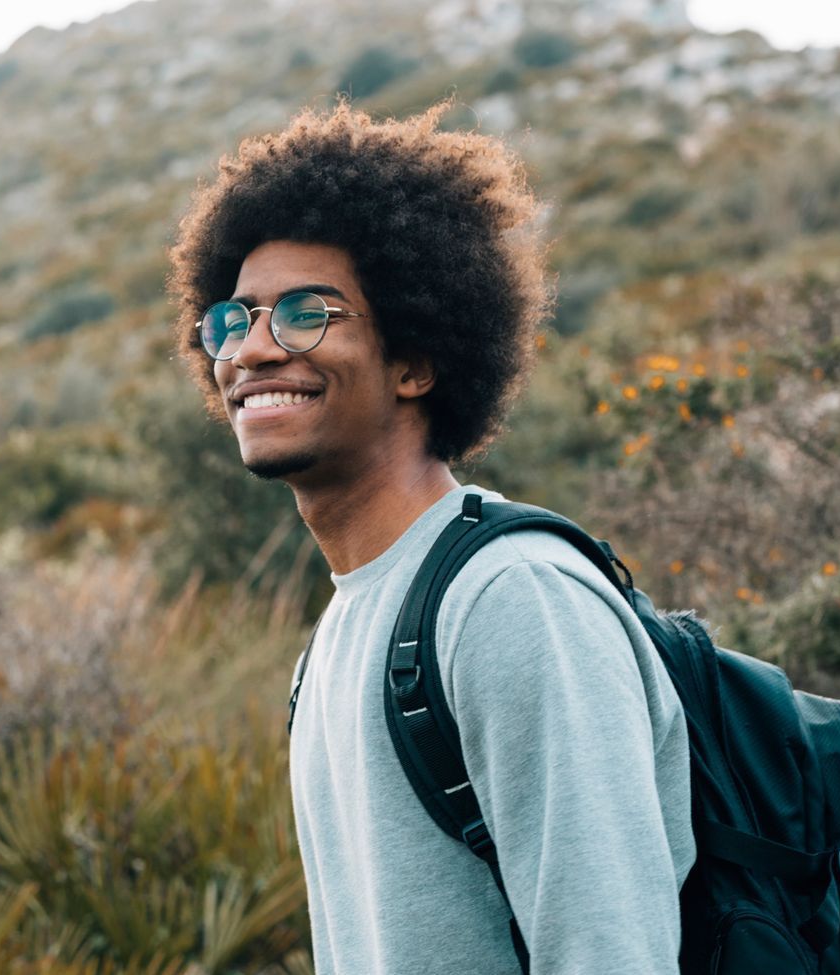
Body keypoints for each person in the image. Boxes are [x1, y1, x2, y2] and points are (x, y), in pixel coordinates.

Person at [166, 102, 695, 973]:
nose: (252, 349)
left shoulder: (511, 599)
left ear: (414, 361)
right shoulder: (334, 641)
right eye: (233, 319)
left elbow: (612, 952)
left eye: (306, 313)